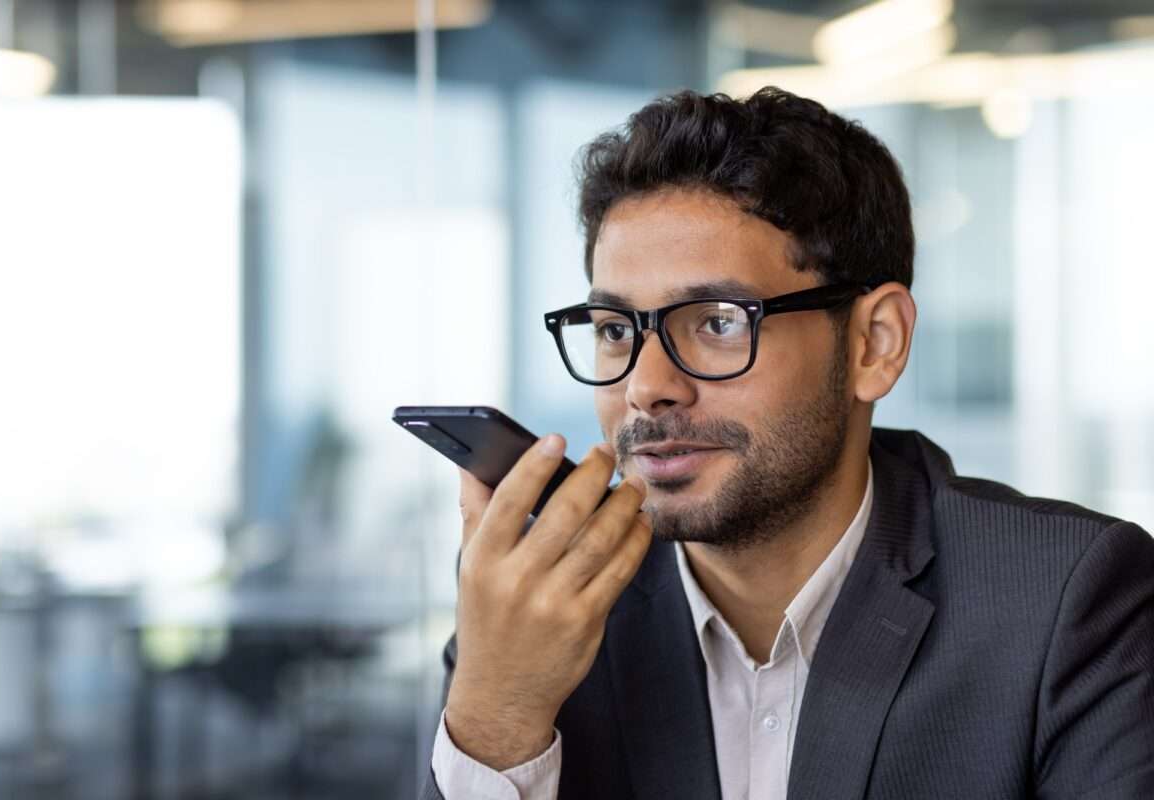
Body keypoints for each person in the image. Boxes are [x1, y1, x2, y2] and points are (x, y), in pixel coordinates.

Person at [420, 87, 1154, 799]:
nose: (647, 387)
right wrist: (496, 718)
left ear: (874, 343)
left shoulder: (1065, 602)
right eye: (616, 331)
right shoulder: (536, 612)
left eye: (715, 323)